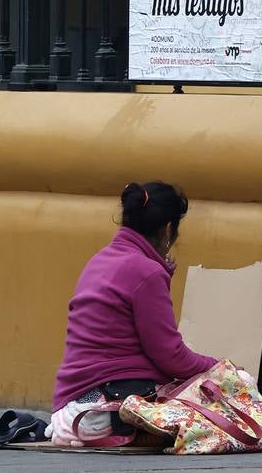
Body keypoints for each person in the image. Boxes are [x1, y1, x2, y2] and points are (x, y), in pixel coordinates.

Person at [48, 181, 217, 447]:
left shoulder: (101, 259)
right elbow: (171, 356)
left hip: (69, 395)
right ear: (169, 229)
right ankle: (102, 417)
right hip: (109, 390)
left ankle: (88, 417)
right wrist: (218, 369)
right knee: (209, 402)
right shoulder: (146, 271)